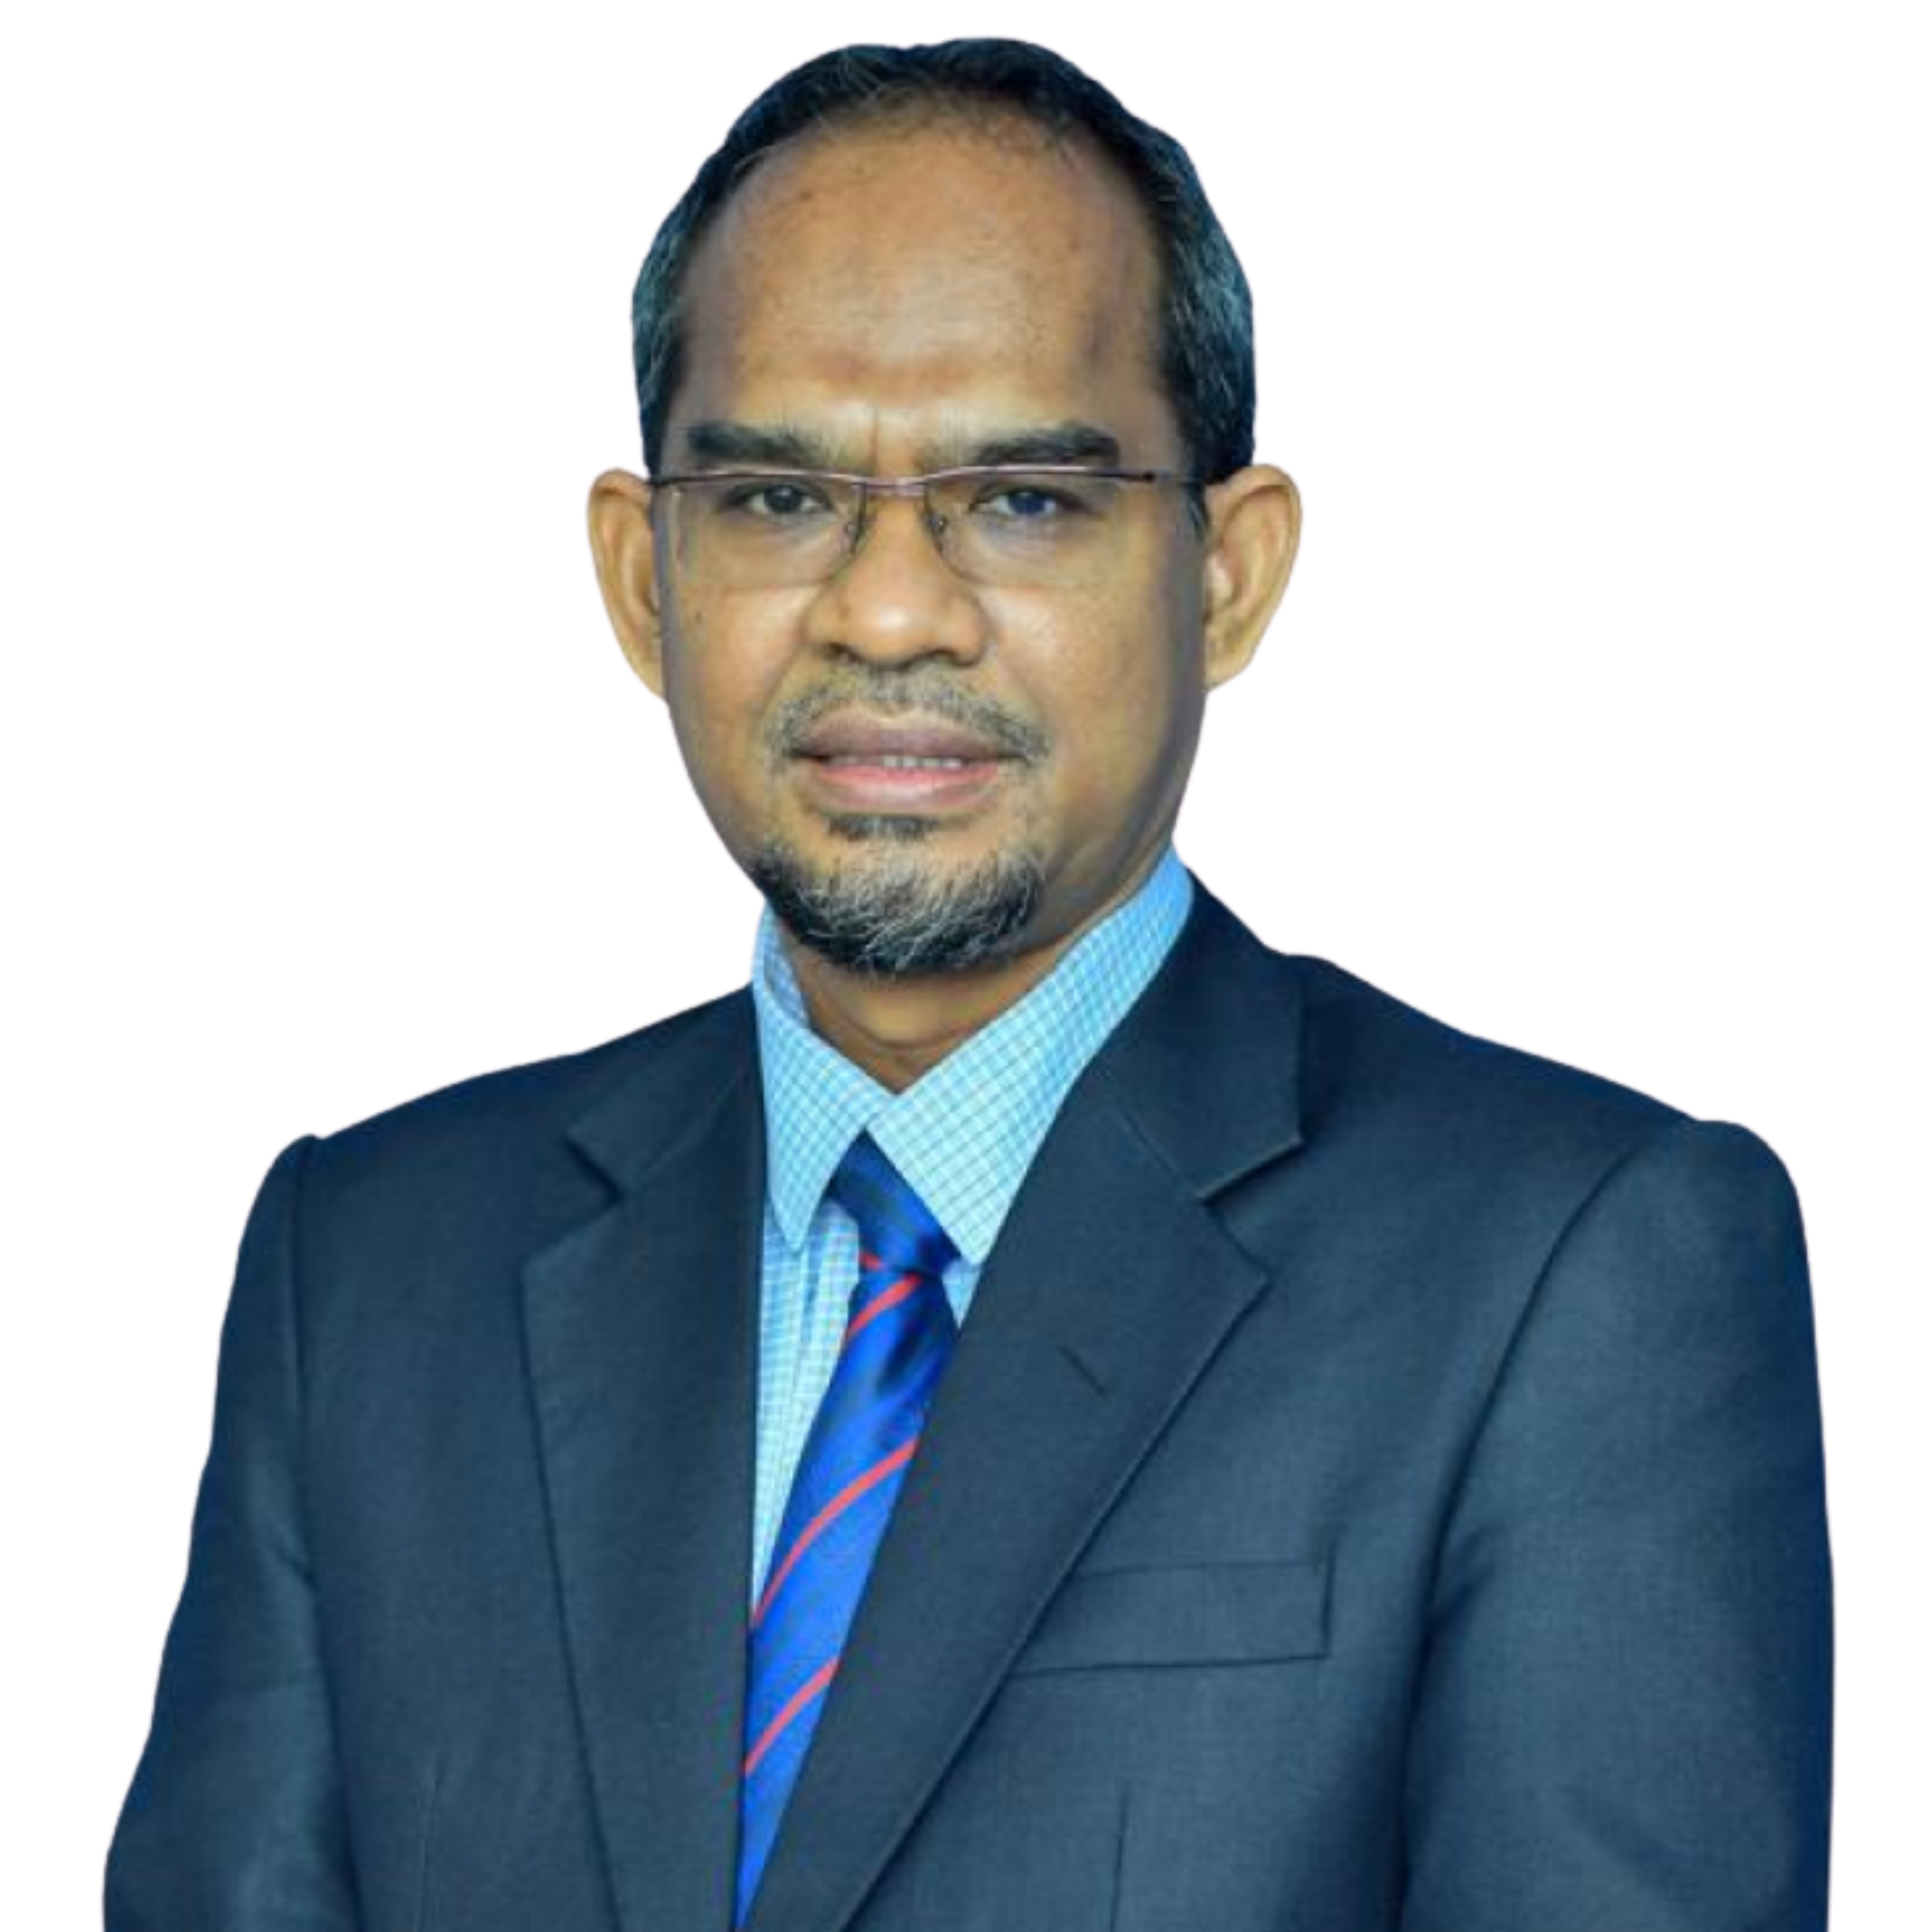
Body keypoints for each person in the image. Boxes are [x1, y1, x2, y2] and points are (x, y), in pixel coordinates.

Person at [103, 34, 1834, 1932]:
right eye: (776, 498)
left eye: (1020, 497)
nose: (886, 609)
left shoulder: (1572, 1265)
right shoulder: (365, 1264)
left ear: (1230, 576)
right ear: (637, 575)